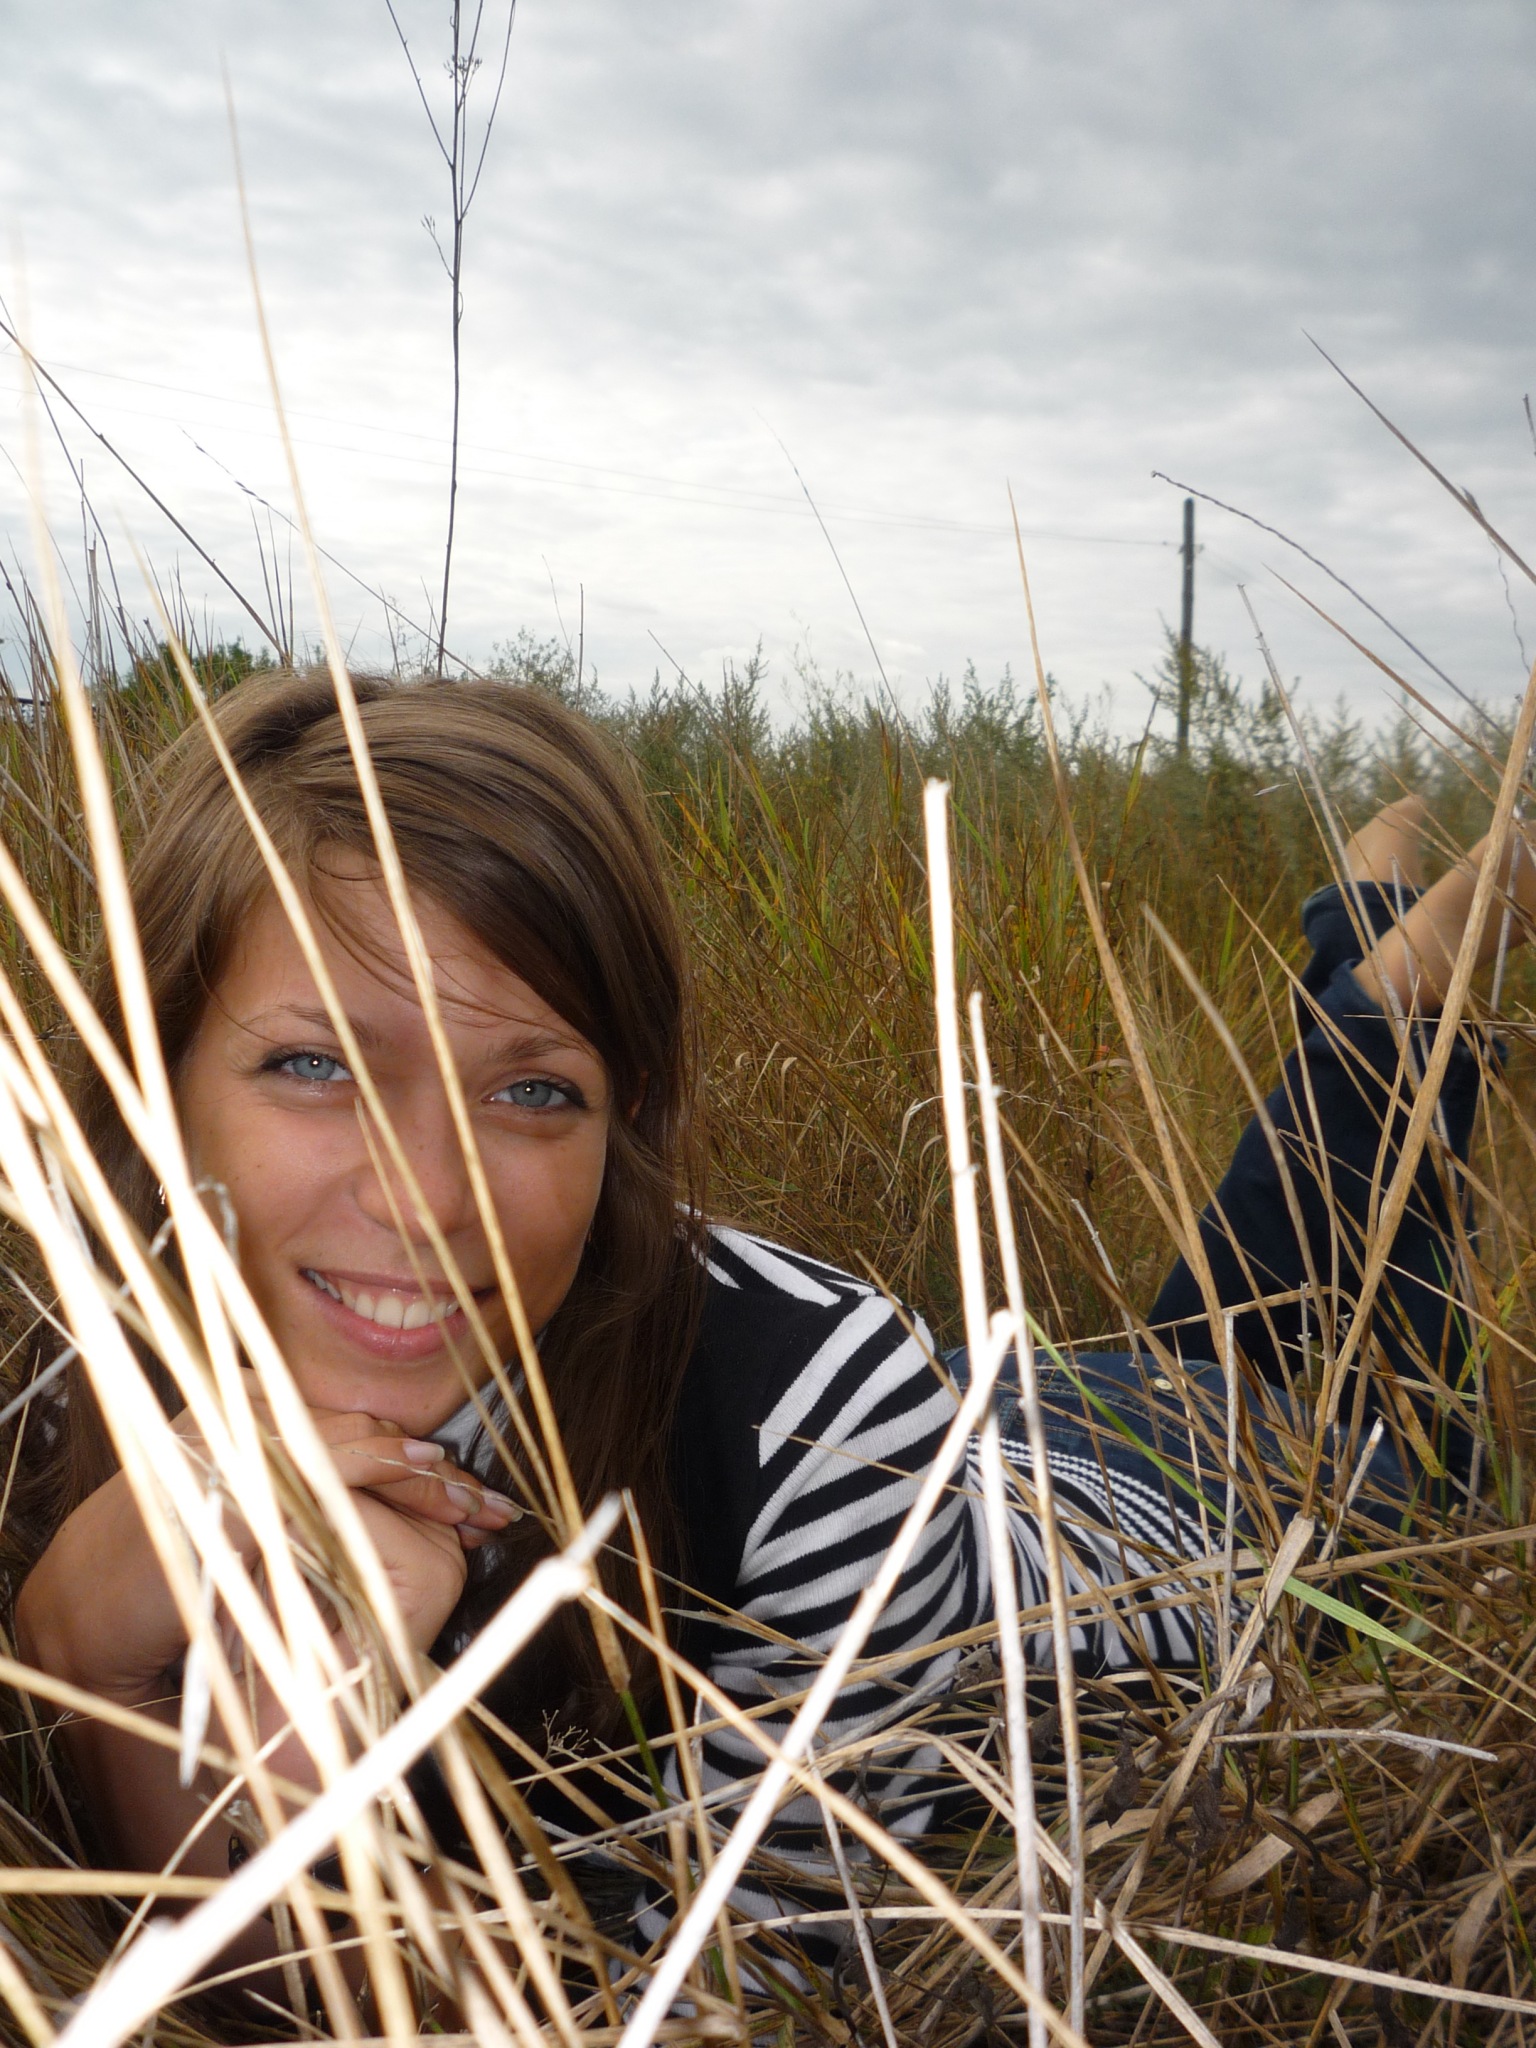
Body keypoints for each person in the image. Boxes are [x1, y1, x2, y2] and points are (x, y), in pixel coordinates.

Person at [10, 673, 1526, 1979]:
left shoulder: (803, 1408)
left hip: (1198, 1504)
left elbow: (731, 1991)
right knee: (1246, 1305)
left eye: (534, 1089)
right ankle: (1378, 944)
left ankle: (1411, 960)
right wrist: (87, 1635)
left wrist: (94, 1668)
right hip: (981, 1412)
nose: (426, 1201)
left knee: (1327, 1367)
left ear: (626, 1120)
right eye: (313, 1065)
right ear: (155, 1076)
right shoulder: (73, 1377)